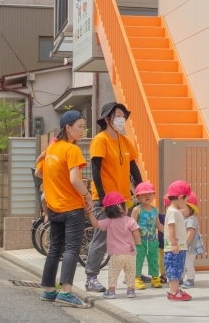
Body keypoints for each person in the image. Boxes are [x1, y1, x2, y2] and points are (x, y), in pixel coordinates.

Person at [35, 110, 92, 309]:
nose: (82, 130)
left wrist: (56, 184)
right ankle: (66, 292)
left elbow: (38, 173)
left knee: (55, 249)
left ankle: (49, 290)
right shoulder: (71, 150)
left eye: (83, 127)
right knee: (71, 249)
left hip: (54, 208)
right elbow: (75, 179)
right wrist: (88, 195)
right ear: (68, 128)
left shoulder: (51, 149)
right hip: (72, 207)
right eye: (80, 127)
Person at [85, 102, 144, 292]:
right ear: (107, 118)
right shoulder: (100, 140)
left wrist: (141, 188)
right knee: (101, 237)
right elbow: (95, 169)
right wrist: (101, 198)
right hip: (106, 199)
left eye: (123, 115)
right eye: (117, 114)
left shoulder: (125, 141)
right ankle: (91, 277)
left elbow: (133, 166)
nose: (122, 118)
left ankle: (130, 273)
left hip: (123, 199)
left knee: (126, 238)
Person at [86, 191, 141, 299]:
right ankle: (130, 291)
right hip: (130, 253)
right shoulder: (130, 220)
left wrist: (90, 213)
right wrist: (137, 242)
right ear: (121, 207)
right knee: (130, 272)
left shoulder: (109, 221)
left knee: (113, 273)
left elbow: (96, 224)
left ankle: (111, 292)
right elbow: (136, 233)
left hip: (116, 254)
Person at [131, 181, 164, 290]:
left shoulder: (155, 210)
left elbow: (158, 224)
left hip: (153, 240)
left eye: (150, 193)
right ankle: (136, 277)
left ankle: (155, 277)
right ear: (138, 197)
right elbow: (132, 225)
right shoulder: (137, 210)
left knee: (154, 259)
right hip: (140, 240)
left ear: (154, 195)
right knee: (138, 259)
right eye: (144, 194)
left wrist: (167, 232)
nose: (147, 196)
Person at [164, 180, 193, 301]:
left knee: (177, 268)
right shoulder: (173, 212)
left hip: (178, 247)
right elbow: (171, 228)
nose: (186, 203)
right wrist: (174, 244)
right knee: (174, 269)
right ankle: (174, 292)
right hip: (175, 248)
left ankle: (174, 291)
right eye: (186, 200)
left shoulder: (174, 211)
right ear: (180, 197)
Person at [181, 192, 204, 288]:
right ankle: (181, 279)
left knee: (188, 264)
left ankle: (190, 280)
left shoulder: (191, 220)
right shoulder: (186, 219)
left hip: (189, 247)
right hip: (185, 247)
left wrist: (184, 244)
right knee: (183, 263)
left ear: (191, 208)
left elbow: (190, 233)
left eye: (183, 207)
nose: (180, 210)